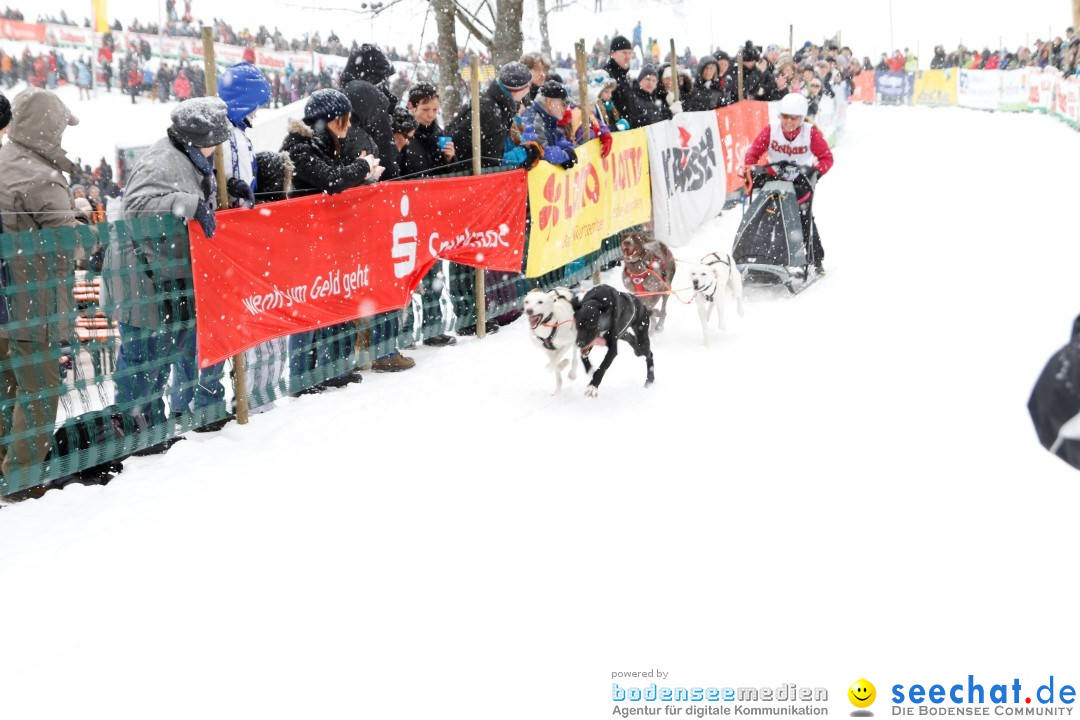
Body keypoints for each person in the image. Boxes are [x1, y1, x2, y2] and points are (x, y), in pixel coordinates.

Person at [103, 97, 233, 451]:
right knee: (143, 360)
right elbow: (137, 208)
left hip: (162, 277)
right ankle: (137, 433)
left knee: (159, 358)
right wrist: (191, 205)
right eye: (214, 141)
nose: (217, 148)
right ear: (199, 139)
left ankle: (151, 427)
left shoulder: (188, 157)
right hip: (140, 277)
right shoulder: (164, 160)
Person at [0, 88, 81, 492]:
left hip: (6, 295)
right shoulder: (41, 176)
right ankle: (22, 478)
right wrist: (88, 231)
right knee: (39, 389)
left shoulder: (5, 159)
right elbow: (68, 246)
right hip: (35, 301)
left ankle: (8, 465)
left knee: (8, 386)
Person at [281, 89, 381, 390]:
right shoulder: (299, 146)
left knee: (327, 300)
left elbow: (335, 178)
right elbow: (331, 180)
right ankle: (301, 376)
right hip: (304, 239)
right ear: (328, 120)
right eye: (344, 120)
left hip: (324, 238)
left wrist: (361, 176)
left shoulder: (324, 143)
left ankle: (327, 367)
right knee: (307, 306)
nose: (348, 126)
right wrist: (363, 167)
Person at [445, 62, 536, 336]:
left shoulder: (493, 103)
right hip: (472, 188)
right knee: (469, 250)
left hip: (476, 187)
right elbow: (492, 159)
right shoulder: (491, 109)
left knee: (478, 248)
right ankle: (471, 314)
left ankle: (484, 309)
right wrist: (524, 156)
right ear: (520, 89)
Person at [736, 93, 834, 274]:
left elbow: (826, 158)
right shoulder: (771, 130)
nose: (789, 121)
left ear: (802, 117)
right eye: (785, 116)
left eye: (794, 117)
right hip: (774, 182)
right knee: (766, 220)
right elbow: (753, 153)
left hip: (799, 184)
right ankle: (761, 259)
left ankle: (815, 260)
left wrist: (814, 172)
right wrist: (751, 168)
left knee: (803, 220)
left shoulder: (810, 132)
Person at [398, 82, 459, 348]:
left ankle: (433, 327)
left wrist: (449, 160)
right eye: (425, 109)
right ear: (411, 107)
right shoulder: (401, 134)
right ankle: (406, 331)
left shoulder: (438, 133)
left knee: (433, 271)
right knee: (408, 275)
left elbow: (443, 175)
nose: (430, 115)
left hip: (430, 212)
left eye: (435, 109)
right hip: (407, 213)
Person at [604, 35, 665, 128]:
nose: (628, 57)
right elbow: (607, 112)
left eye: (630, 53)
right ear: (613, 54)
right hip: (617, 137)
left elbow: (633, 111)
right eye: (624, 53)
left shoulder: (623, 77)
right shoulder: (607, 76)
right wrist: (618, 126)